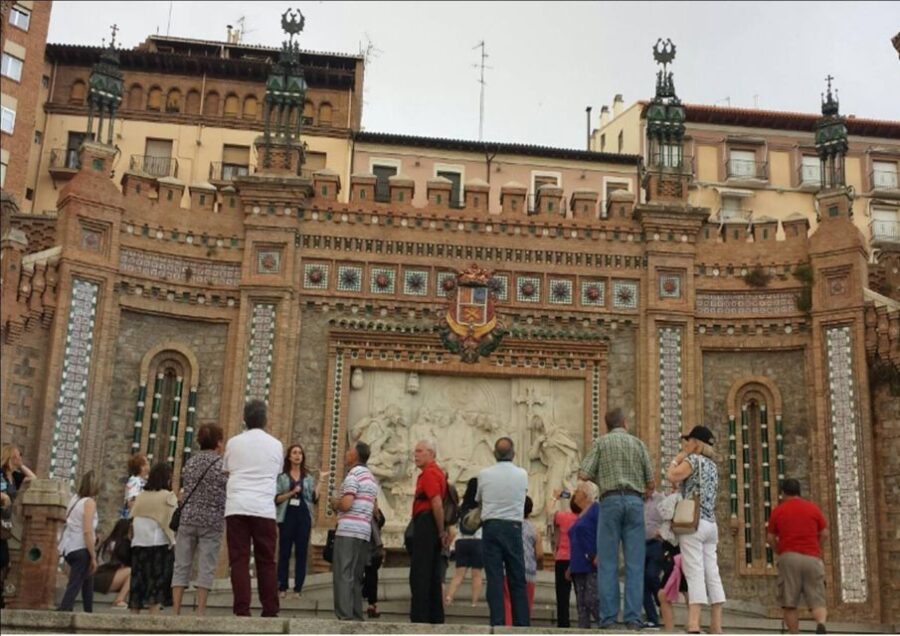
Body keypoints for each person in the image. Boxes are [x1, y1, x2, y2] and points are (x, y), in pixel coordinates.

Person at [579, 407, 654, 629]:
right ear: (624, 423)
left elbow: (583, 474)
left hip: (609, 501)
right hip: (634, 502)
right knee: (634, 564)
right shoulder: (638, 444)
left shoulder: (601, 443)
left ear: (607, 425)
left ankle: (609, 618)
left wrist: (600, 476)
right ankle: (632, 618)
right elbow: (650, 482)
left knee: (608, 563)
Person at [223, 399, 284, 617]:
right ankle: (270, 609)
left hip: (237, 505)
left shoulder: (233, 443)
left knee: (238, 559)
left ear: (244, 419)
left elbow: (227, 470)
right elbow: (277, 472)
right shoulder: (276, 445)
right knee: (266, 560)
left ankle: (242, 609)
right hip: (263, 508)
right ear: (265, 419)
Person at [667, 425, 726, 634]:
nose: (685, 444)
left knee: (694, 571)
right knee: (712, 572)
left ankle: (693, 623)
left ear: (695, 443)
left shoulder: (693, 460)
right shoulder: (712, 466)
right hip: (711, 524)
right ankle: (716, 624)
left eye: (688, 441)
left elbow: (672, 476)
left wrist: (677, 459)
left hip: (693, 523)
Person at [172, 424, 228, 616]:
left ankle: (176, 611)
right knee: (206, 566)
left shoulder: (191, 463)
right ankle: (200, 611)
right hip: (211, 521)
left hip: (187, 519)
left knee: (181, 564)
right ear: (218, 443)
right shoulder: (221, 465)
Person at [476, 437, 529, 627]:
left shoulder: (484, 474)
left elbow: (479, 499)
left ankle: (497, 622)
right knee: (517, 576)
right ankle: (521, 623)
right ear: (513, 454)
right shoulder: (522, 474)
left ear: (494, 454)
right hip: (513, 526)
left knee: (494, 577)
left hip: (491, 526)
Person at [766, 478, 828, 635]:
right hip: (812, 557)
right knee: (817, 599)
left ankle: (794, 633)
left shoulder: (778, 511)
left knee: (789, 602)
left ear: (783, 493)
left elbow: (771, 537)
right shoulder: (813, 509)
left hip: (789, 556)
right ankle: (821, 624)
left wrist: (779, 550)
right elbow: (825, 532)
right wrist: (817, 547)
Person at [330, 440, 378, 621]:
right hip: (364, 532)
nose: (345, 453)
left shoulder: (353, 476)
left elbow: (347, 503)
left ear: (355, 455)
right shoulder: (372, 479)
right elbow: (374, 508)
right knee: (357, 577)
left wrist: (336, 503)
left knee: (343, 573)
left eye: (349, 450)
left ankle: (344, 615)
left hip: (348, 531)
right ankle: (357, 614)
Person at [408, 438, 448, 624]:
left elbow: (436, 503)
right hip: (430, 524)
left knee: (420, 572)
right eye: (415, 451)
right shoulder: (436, 473)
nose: (415, 455)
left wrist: (441, 531)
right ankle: (434, 616)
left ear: (431, 454)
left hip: (426, 523)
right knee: (431, 572)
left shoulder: (430, 474)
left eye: (419, 451)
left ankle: (420, 616)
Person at [129, 462, 177, 614]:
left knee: (137, 587)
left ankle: (132, 623)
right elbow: (171, 521)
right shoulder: (168, 496)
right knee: (155, 590)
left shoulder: (141, 496)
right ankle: (153, 622)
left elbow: (133, 519)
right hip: (158, 545)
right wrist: (173, 542)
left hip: (138, 544)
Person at [274, 443, 321, 599]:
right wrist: (292, 492)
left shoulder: (307, 477)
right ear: (289, 456)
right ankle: (282, 586)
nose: (297, 455)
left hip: (303, 517)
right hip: (287, 516)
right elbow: (276, 498)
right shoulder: (282, 477)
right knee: (284, 552)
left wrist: (320, 483)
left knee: (301, 552)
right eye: (294, 452)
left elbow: (313, 498)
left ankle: (298, 588)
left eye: (300, 453)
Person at [57, 470, 100, 613]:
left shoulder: (74, 499)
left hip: (69, 547)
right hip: (81, 547)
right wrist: (93, 556)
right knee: (75, 583)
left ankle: (89, 611)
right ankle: (64, 609)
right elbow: (87, 531)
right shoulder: (89, 502)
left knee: (87, 580)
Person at [1, 444, 35, 609]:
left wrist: (21, 465)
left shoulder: (15, 476)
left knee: (4, 560)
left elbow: (34, 479)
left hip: (5, 524)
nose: (20, 457)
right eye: (17, 455)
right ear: (10, 456)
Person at [502, 495, 542, 625]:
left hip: (509, 569)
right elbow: (540, 554)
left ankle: (507, 630)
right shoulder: (534, 529)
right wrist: (538, 564)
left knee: (508, 603)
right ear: (530, 511)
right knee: (526, 604)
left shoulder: (508, 526)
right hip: (528, 571)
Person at [445, 477, 484, 608]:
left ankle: (449, 598)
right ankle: (474, 603)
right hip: (477, 541)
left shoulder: (462, 507)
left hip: (461, 541)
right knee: (476, 574)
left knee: (458, 574)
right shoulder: (482, 507)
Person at [567, 480, 600, 628]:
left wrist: (600, 554)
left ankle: (606, 625)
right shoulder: (581, 515)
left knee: (591, 599)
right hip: (578, 564)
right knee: (581, 606)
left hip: (592, 562)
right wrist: (570, 566)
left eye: (578, 490)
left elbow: (603, 532)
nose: (575, 493)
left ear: (586, 495)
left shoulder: (596, 509)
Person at [547, 487, 578, 628]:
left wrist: (555, 497)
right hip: (579, 559)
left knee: (562, 595)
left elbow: (549, 511)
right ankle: (583, 621)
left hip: (562, 558)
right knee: (581, 593)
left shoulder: (563, 517)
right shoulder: (581, 518)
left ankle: (563, 624)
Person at [94, 518, 132, 609]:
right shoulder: (122, 544)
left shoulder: (108, 541)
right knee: (132, 571)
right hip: (104, 577)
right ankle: (119, 600)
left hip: (97, 576)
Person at [643, 484, 666, 628]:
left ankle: (662, 602)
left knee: (652, 575)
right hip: (640, 545)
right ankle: (652, 618)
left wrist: (662, 532)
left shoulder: (661, 499)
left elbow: (668, 518)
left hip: (656, 544)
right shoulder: (638, 501)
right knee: (641, 583)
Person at [363, 506, 386, 618]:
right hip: (369, 551)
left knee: (371, 576)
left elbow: (382, 521)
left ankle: (372, 604)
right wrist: (380, 547)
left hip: (372, 552)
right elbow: (376, 535)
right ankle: (372, 604)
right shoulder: (367, 515)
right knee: (370, 577)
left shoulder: (375, 513)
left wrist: (377, 513)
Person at [122, 454, 149, 519]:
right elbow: (131, 501)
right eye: (147, 463)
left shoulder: (143, 481)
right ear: (142, 467)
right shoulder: (134, 481)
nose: (148, 466)